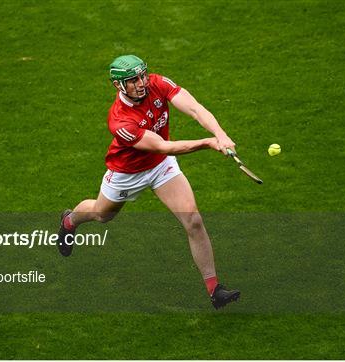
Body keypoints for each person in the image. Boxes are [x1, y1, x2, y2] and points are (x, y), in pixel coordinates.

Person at [57, 54, 240, 309]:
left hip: (160, 165)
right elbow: (164, 146)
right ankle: (69, 220)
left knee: (193, 219)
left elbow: (196, 109)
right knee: (101, 215)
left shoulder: (157, 84)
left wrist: (221, 134)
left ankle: (214, 290)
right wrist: (209, 143)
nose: (142, 83)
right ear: (118, 85)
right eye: (133, 80)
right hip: (127, 172)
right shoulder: (120, 120)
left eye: (142, 75)